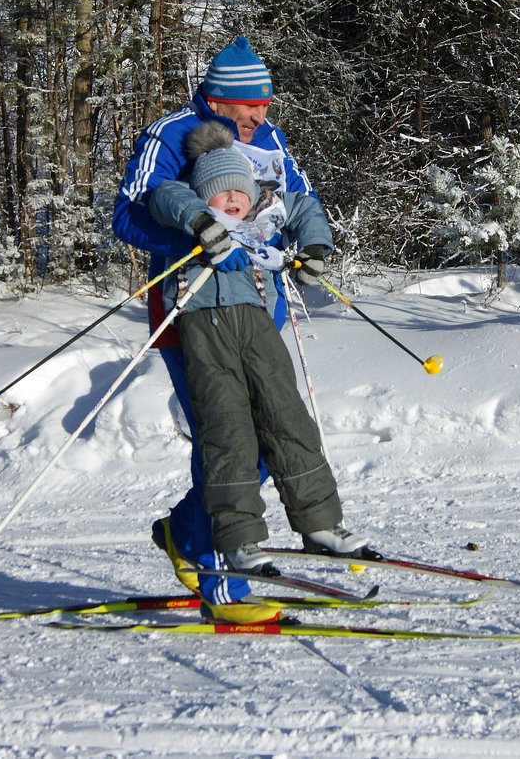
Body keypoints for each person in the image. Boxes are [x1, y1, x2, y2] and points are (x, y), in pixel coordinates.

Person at [112, 36, 373, 623]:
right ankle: (221, 584)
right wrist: (201, 236)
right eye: (252, 106)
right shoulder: (172, 132)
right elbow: (128, 213)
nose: (263, 116)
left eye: (267, 104)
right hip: (193, 312)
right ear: (218, 101)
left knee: (269, 436)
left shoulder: (272, 141)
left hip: (260, 308)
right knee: (224, 435)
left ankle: (185, 531)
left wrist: (312, 250)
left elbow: (299, 202)